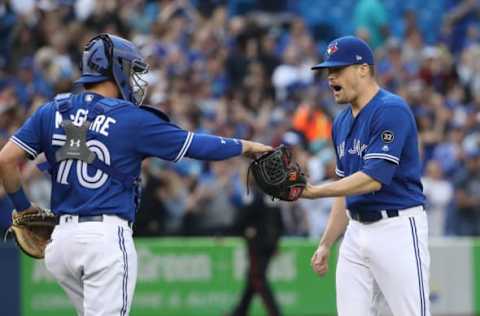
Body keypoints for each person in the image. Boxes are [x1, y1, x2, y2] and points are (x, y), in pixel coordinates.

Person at [0, 33, 272, 316]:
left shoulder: (54, 109)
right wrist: (246, 146)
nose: (134, 79)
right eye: (130, 70)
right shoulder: (131, 118)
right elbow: (195, 145)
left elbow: (6, 160)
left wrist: (23, 207)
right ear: (115, 68)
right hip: (103, 238)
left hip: (62, 243)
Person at [303, 36, 430, 316]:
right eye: (328, 71)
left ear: (363, 69)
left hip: (396, 228)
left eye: (338, 69)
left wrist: (314, 191)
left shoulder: (390, 109)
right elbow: (342, 188)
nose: (330, 77)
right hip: (355, 231)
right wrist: (326, 242)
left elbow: (374, 177)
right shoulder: (341, 122)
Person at [229, 184, 283, 316]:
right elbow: (279, 221)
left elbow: (242, 218)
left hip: (256, 244)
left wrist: (239, 231)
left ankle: (275, 313)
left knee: (257, 278)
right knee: (252, 278)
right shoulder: (273, 194)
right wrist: (275, 241)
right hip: (269, 242)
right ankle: (239, 312)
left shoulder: (252, 194)